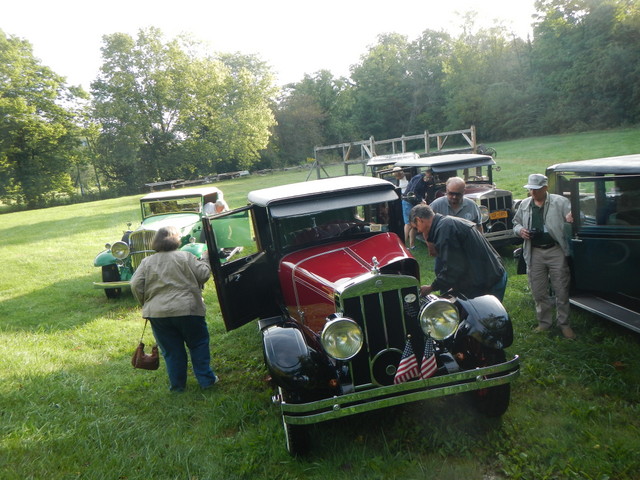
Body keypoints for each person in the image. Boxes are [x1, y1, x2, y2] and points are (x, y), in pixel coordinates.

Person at [130, 226, 219, 391]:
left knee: (172, 351)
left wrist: (147, 303)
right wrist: (206, 259)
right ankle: (206, 381)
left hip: (158, 313)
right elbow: (203, 275)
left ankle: (177, 387)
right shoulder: (186, 256)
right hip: (188, 310)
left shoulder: (146, 262)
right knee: (198, 344)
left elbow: (135, 284)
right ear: (177, 239)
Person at [513, 173, 575, 339]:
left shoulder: (560, 202)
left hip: (555, 250)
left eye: (537, 189)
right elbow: (515, 223)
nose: (533, 192)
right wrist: (520, 230)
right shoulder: (525, 204)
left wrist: (572, 217)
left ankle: (564, 324)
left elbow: (575, 216)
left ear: (545, 188)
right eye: (530, 189)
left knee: (561, 288)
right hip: (534, 251)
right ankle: (544, 323)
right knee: (538, 290)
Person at [410, 204, 507, 301]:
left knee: (483, 311)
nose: (418, 231)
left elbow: (453, 268)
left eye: (416, 228)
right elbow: (460, 262)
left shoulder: (445, 230)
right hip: (489, 275)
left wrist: (432, 287)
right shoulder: (446, 223)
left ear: (419, 220)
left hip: (490, 282)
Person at [403, 169, 437, 249]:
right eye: (430, 176)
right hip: (408, 201)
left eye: (431, 177)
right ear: (426, 173)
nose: (430, 178)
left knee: (414, 223)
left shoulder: (427, 181)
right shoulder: (418, 179)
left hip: (415, 202)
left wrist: (423, 199)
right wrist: (420, 200)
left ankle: (412, 245)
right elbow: (412, 193)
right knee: (408, 224)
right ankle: (403, 245)